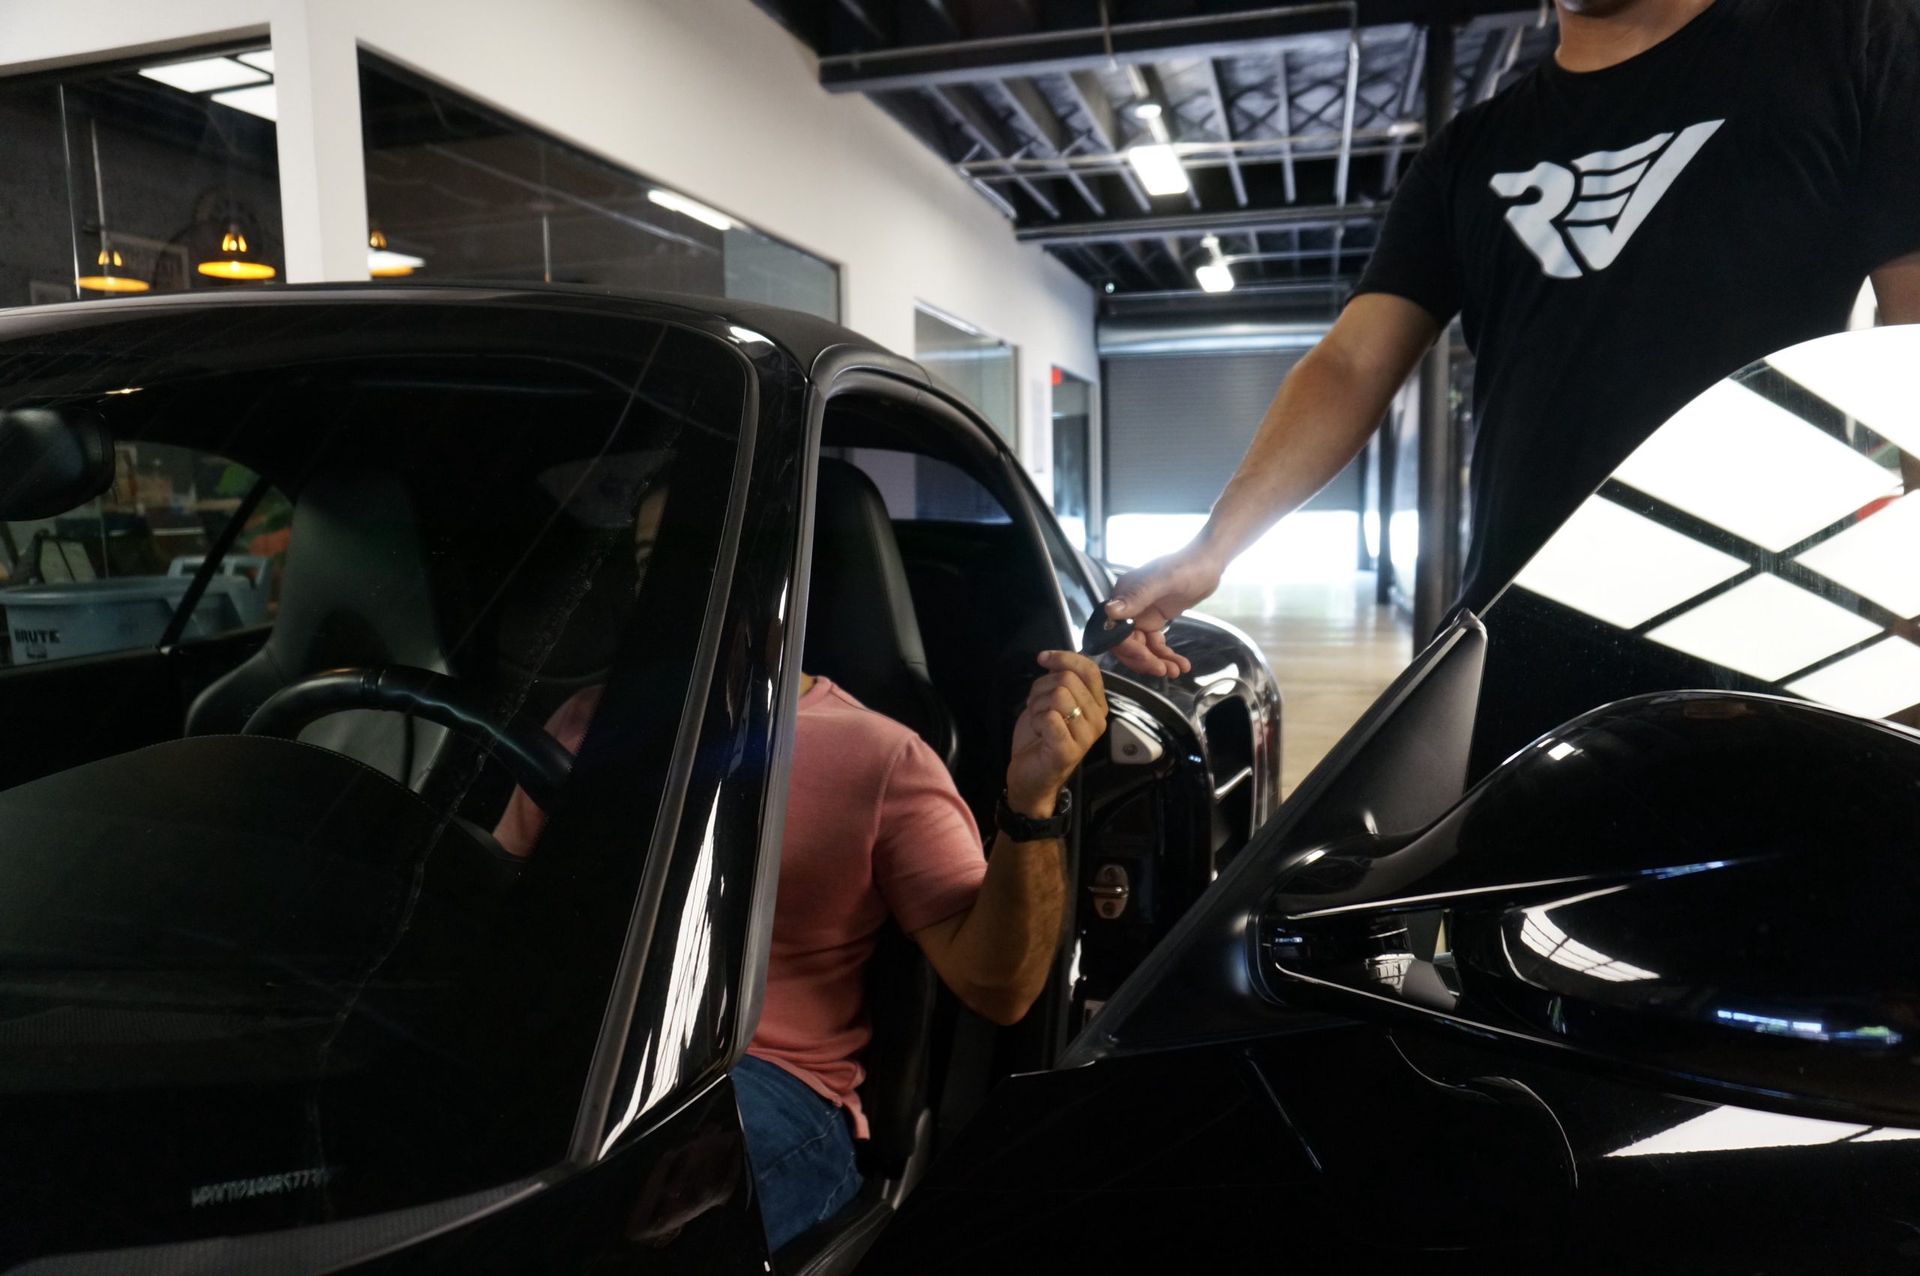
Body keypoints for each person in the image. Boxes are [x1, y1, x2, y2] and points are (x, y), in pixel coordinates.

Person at [1102, 0, 1920, 679]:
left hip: (1767, 631)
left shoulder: (1851, 42)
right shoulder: (1468, 152)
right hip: (1516, 636)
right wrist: (1212, 547)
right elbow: (1351, 364)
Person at [494, 652, 1108, 1252]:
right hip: (572, 1051)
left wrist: (1033, 805)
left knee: (596, 1226)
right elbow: (491, 907)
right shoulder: (591, 715)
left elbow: (1000, 989)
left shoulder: (883, 755)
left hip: (759, 1080)